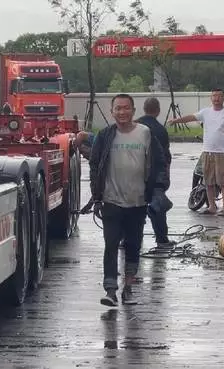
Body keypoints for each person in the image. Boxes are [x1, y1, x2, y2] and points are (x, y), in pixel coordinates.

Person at [83, 93, 170, 307]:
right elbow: (95, 166)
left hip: (138, 201)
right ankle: (110, 290)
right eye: (117, 108)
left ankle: (128, 286)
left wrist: (158, 189)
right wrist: (97, 197)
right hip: (111, 200)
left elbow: (161, 162)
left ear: (133, 110)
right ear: (112, 111)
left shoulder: (145, 133)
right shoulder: (105, 136)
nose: (122, 112)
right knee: (111, 244)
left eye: (126, 108)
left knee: (133, 244)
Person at [169, 89, 224, 216]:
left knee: (223, 181)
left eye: (219, 96)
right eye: (214, 96)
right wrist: (176, 120)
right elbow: (191, 117)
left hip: (222, 153)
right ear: (211, 98)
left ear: (223, 98)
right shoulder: (205, 112)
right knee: (208, 181)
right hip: (207, 152)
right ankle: (211, 207)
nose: (216, 98)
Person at [136, 97, 175, 249]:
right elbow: (165, 157)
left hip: (135, 174)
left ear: (144, 109)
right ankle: (162, 240)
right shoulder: (161, 130)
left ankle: (127, 239)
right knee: (158, 208)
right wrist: (165, 178)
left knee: (132, 208)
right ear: (158, 111)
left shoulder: (134, 126)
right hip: (154, 176)